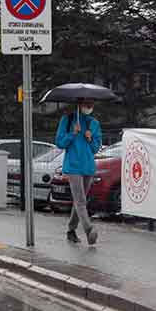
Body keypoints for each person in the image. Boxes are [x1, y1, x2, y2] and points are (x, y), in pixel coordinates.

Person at [55, 99, 102, 245]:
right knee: (81, 200)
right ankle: (89, 230)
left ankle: (71, 230)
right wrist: (72, 133)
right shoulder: (67, 120)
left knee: (79, 201)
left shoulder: (94, 123)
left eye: (91, 105)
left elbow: (96, 148)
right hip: (73, 166)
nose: (89, 107)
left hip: (88, 166)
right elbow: (59, 142)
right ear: (79, 105)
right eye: (87, 105)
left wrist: (90, 138)